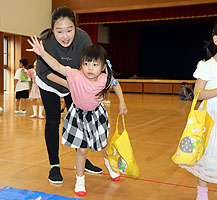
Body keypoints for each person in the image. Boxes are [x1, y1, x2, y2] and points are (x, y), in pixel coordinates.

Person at [28, 37, 128, 195]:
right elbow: (57, 66)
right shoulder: (75, 74)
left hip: (96, 115)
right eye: (86, 64)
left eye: (95, 64)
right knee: (82, 150)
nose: (90, 68)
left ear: (102, 67)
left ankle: (111, 166)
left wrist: (122, 102)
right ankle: (80, 180)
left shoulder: (104, 78)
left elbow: (116, 84)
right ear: (81, 64)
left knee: (104, 145)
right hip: (79, 117)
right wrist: (42, 53)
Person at [34, 6, 102, 184]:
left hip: (73, 81)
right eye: (59, 31)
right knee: (53, 120)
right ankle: (54, 166)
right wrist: (70, 84)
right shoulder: (45, 41)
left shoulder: (83, 38)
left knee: (81, 121)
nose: (65, 36)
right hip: (49, 82)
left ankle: (82, 159)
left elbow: (91, 65)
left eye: (69, 30)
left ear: (75, 27)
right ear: (52, 29)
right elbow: (44, 72)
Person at [179, 19, 217, 200]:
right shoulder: (207, 65)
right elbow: (198, 94)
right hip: (211, 121)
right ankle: (201, 196)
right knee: (206, 161)